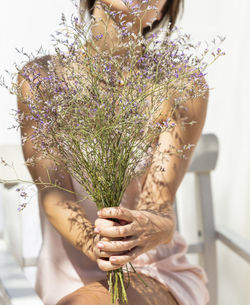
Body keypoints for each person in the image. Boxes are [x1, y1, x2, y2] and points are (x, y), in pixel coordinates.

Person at [17, 0, 210, 304]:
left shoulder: (181, 85)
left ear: (161, 10)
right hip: (72, 272)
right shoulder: (41, 80)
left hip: (149, 267)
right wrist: (99, 246)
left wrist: (151, 227)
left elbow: (158, 204)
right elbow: (55, 197)